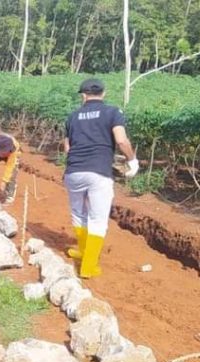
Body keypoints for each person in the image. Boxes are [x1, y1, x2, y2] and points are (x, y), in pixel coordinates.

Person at [62, 78, 139, 279]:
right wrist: (132, 160)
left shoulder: (72, 117)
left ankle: (83, 250)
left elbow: (67, 148)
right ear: (103, 94)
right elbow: (121, 140)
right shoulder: (112, 112)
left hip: (73, 172)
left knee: (79, 214)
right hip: (98, 173)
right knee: (98, 219)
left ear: (83, 95)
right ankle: (88, 266)